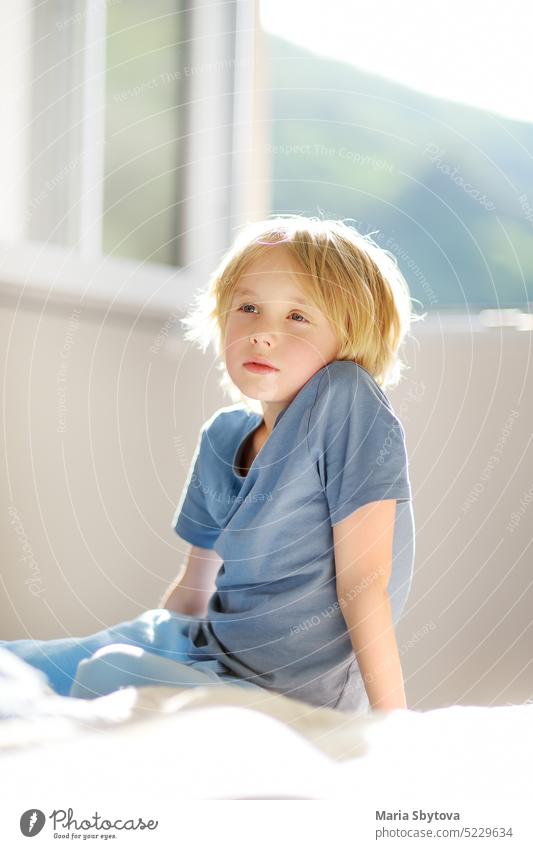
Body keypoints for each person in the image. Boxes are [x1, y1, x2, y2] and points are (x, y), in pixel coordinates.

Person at [1, 215, 424, 712]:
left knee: (105, 673)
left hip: (283, 690)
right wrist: (154, 648)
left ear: (349, 338)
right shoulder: (222, 435)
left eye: (297, 317)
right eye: (248, 307)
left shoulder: (347, 398)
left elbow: (365, 583)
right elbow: (193, 590)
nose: (263, 333)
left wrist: (391, 723)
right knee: (21, 664)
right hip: (198, 646)